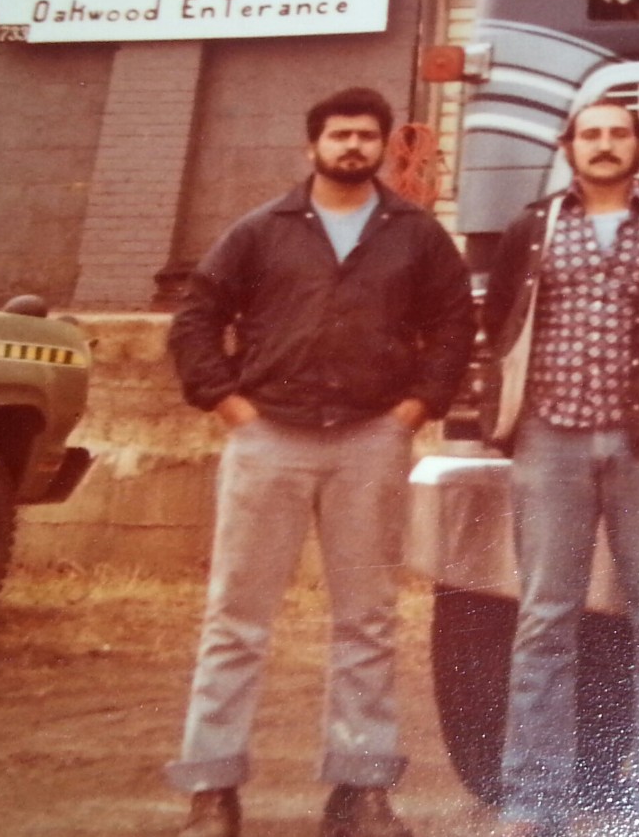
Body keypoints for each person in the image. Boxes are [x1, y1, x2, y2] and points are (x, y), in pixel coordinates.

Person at [165, 87, 475, 837]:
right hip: (269, 437)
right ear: (313, 147)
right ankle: (212, 790)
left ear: (383, 148)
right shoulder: (260, 230)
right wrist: (227, 403)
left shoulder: (415, 234)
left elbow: (455, 323)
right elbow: (196, 316)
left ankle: (360, 791)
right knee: (236, 620)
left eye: (366, 136)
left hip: (369, 440)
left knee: (366, 621)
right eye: (339, 135)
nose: (352, 146)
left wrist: (414, 409)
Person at [482, 99, 639, 835]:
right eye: (592, 134)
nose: (606, 145)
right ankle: (533, 802)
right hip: (549, 440)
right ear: (569, 147)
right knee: (544, 617)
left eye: (619, 134)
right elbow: (501, 320)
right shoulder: (533, 226)